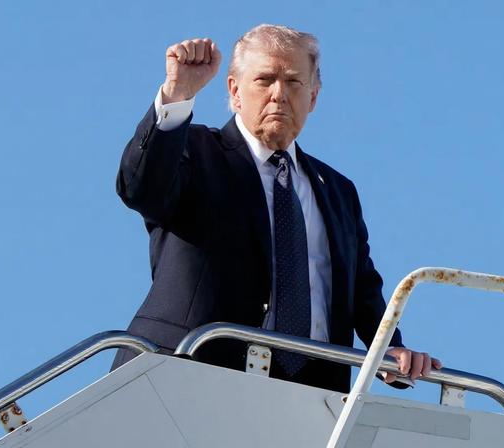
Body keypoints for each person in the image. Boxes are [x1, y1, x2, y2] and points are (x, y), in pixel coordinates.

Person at [112, 24, 440, 393]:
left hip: (308, 394)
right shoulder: (195, 151)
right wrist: (178, 93)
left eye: (294, 82)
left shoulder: (337, 190)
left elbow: (361, 288)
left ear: (313, 97)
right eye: (265, 80)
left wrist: (391, 347)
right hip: (187, 377)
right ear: (235, 91)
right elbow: (142, 188)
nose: (279, 94)